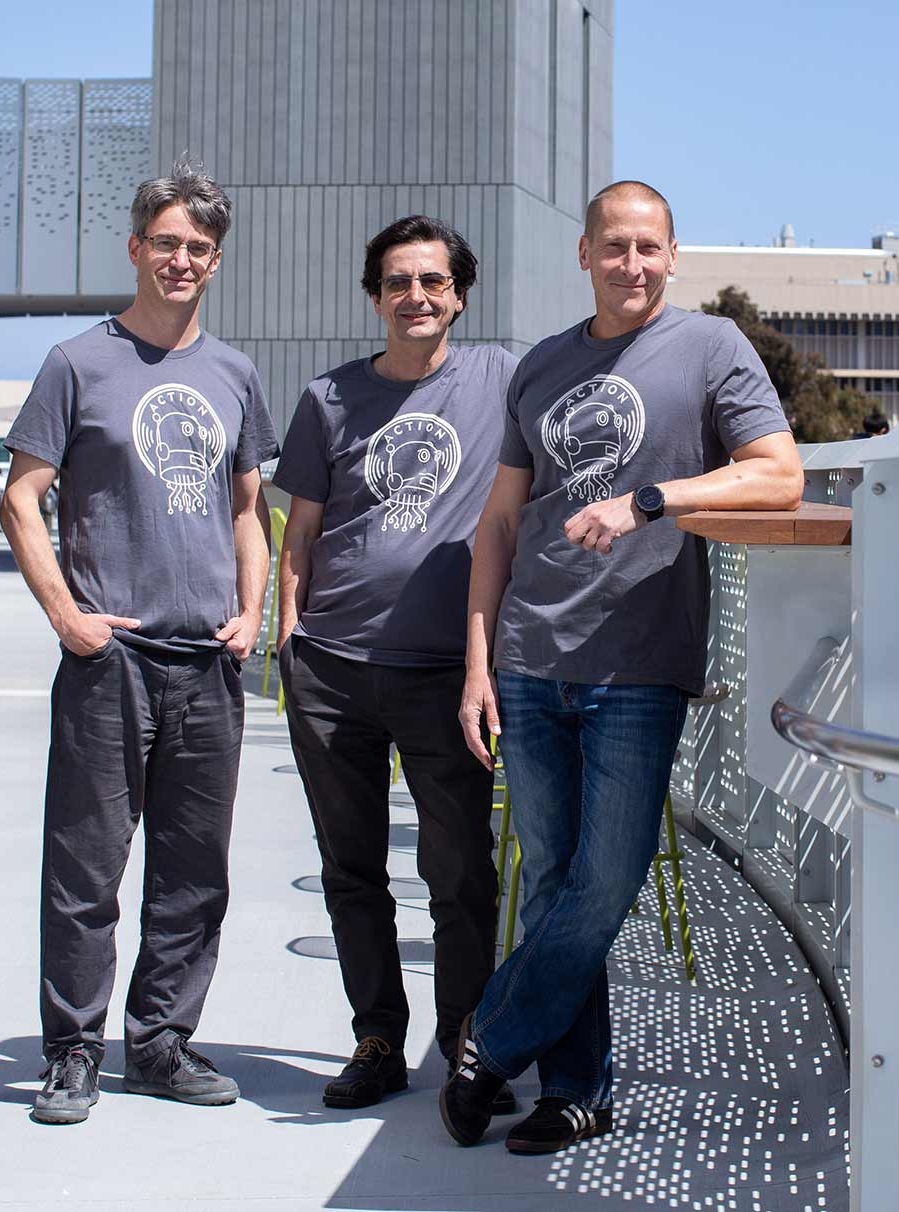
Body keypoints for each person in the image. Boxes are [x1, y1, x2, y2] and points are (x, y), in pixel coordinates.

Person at [440, 181, 803, 1154]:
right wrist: (479, 663)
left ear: (673, 254)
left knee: (606, 881)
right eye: (614, 248)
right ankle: (577, 1092)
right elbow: (501, 523)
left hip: (639, 665)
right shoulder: (544, 367)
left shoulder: (711, 349)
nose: (631, 265)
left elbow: (780, 472)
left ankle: (489, 1036)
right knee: (558, 883)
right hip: (528, 658)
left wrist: (652, 500)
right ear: (586, 256)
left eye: (648, 248)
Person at [0, 164, 278, 1125]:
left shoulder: (234, 373)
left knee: (195, 870)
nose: (182, 260)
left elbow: (249, 510)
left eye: (199, 248)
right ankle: (72, 1051)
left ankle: (161, 1043)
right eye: (166, 243)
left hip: (209, 660)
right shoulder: (77, 363)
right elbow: (20, 497)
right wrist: (64, 615)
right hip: (107, 659)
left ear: (215, 260)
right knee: (85, 869)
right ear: (135, 249)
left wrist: (255, 612)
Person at [273, 216, 519, 1112]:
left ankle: (466, 1046)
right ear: (375, 296)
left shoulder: (500, 378)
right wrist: (290, 641)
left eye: (433, 281)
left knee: (459, 873)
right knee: (354, 869)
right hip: (333, 670)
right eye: (397, 282)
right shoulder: (327, 399)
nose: (416, 295)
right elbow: (299, 531)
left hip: (448, 673)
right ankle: (377, 1040)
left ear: (459, 293)